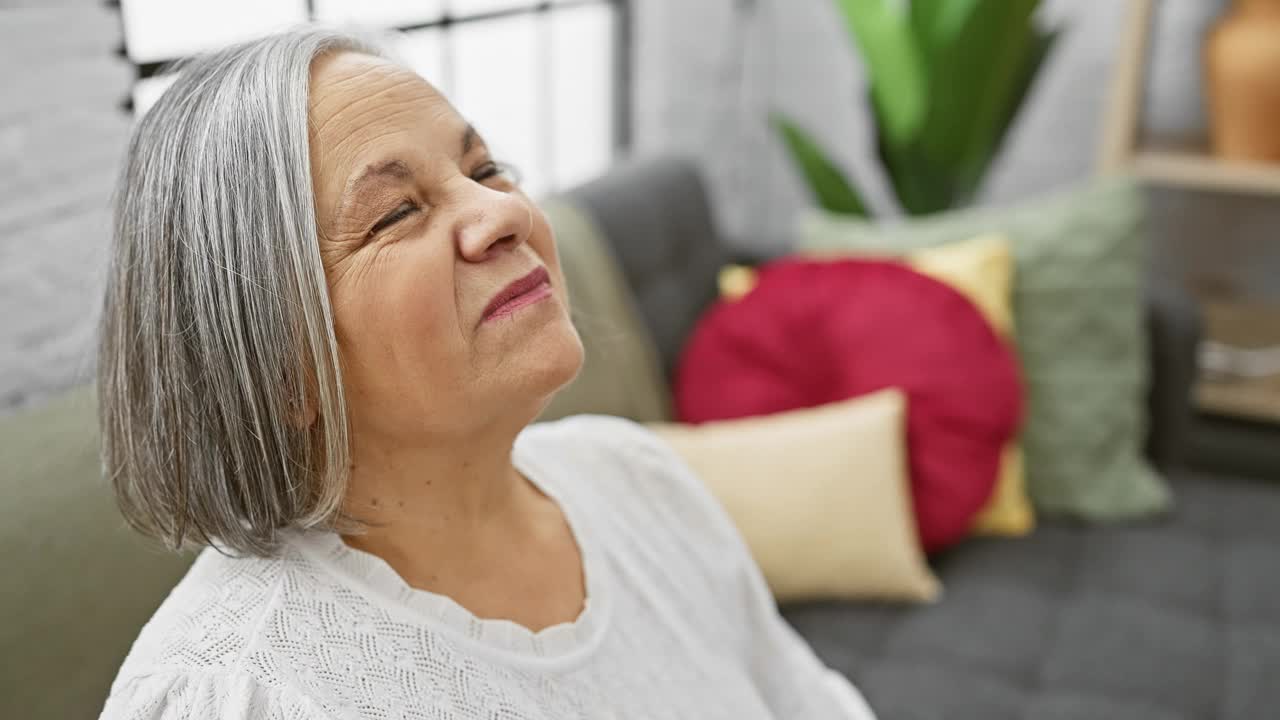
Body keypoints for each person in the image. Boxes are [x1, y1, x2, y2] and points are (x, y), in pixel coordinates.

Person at [95, 26, 875, 720]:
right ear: (275, 371)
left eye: (486, 167)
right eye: (396, 213)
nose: (504, 213)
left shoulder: (639, 480)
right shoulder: (239, 695)